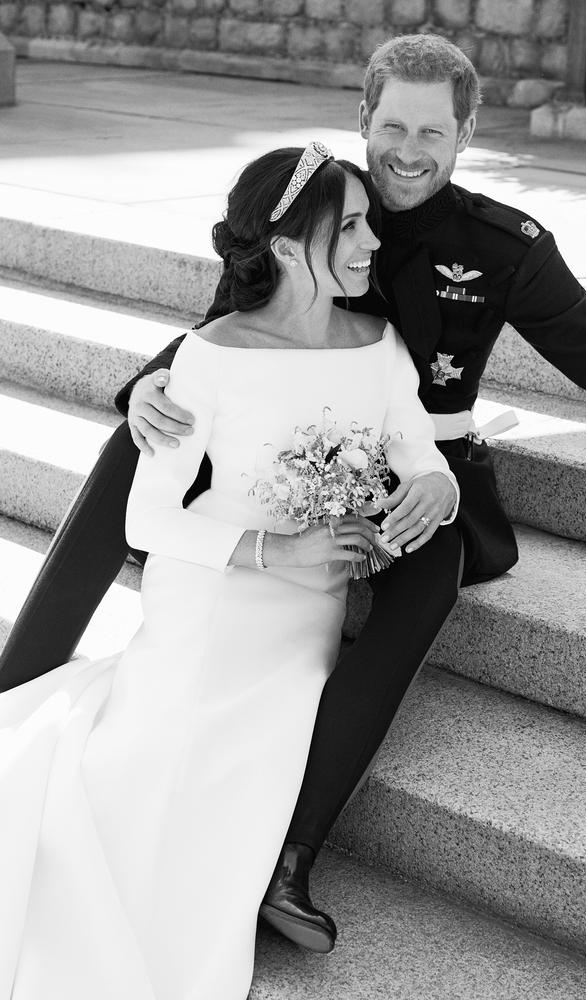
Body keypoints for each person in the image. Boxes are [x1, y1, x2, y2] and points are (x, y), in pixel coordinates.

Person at [2, 32, 586, 954]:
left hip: (423, 462)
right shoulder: (317, 204)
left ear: (468, 132)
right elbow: (232, 326)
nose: (410, 149)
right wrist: (148, 384)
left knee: (428, 575)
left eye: (434, 129)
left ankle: (291, 856)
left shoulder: (503, 245)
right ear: (363, 118)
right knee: (136, 439)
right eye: (393, 124)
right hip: (291, 461)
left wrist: (432, 483)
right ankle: (20, 675)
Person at [0, 143, 458, 998]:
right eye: (350, 226)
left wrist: (436, 485)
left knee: (262, 752)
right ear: (287, 248)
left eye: (368, 223)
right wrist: (274, 550)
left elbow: (416, 444)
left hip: (307, 610)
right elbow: (146, 519)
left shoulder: (379, 339)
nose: (370, 243)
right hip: (212, 593)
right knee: (153, 773)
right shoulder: (210, 355)